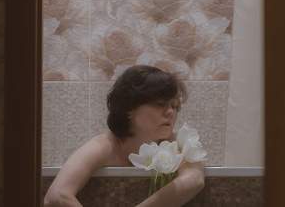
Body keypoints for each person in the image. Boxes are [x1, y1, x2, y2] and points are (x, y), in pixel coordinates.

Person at [44, 65, 205, 207]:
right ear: (129, 109)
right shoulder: (105, 145)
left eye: (175, 106)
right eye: (160, 104)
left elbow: (194, 180)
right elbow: (56, 196)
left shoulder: (179, 143)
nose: (170, 112)